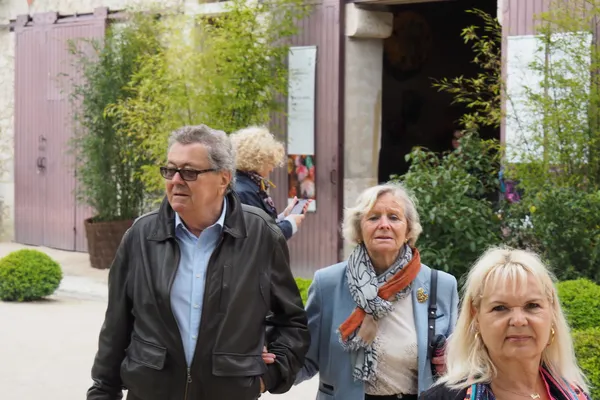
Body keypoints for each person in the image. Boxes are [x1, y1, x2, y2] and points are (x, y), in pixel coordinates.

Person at [86, 124, 310, 400]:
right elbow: (115, 329)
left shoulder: (261, 235)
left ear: (223, 179)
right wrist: (102, 392)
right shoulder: (141, 236)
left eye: (189, 172)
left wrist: (267, 377)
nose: (176, 180)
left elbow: (292, 323)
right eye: (170, 170)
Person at [285, 183, 459, 399]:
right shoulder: (328, 284)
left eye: (394, 217)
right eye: (374, 217)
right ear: (359, 230)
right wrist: (266, 368)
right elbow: (306, 358)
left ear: (408, 231)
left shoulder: (441, 285)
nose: (384, 225)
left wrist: (453, 362)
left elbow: (460, 362)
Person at [420, 247, 591, 400]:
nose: (518, 321)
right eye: (500, 308)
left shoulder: (575, 393)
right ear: (476, 317)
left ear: (552, 313)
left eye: (532, 305)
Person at [230, 126, 309, 240]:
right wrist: (290, 224)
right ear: (259, 160)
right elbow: (261, 239)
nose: (272, 169)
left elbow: (263, 226)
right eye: (271, 162)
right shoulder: (245, 192)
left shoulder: (243, 185)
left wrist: (284, 216)